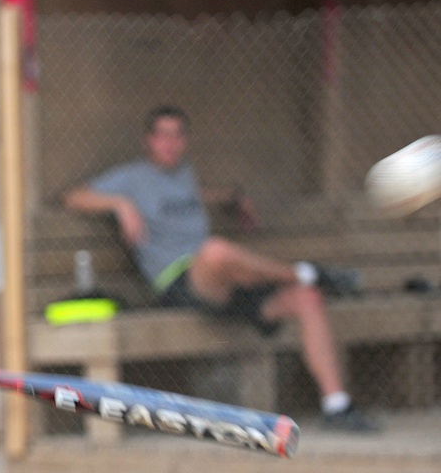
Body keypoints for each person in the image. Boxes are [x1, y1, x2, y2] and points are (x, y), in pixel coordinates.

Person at [63, 104, 377, 432]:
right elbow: (73, 197)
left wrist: (233, 197)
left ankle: (337, 405)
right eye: (162, 135)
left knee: (307, 298)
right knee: (215, 250)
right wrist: (120, 203)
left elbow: (192, 197)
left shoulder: (184, 174)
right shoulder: (132, 177)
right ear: (148, 141)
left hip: (224, 287)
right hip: (181, 282)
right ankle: (306, 271)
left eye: (177, 135)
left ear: (186, 140)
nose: (170, 142)